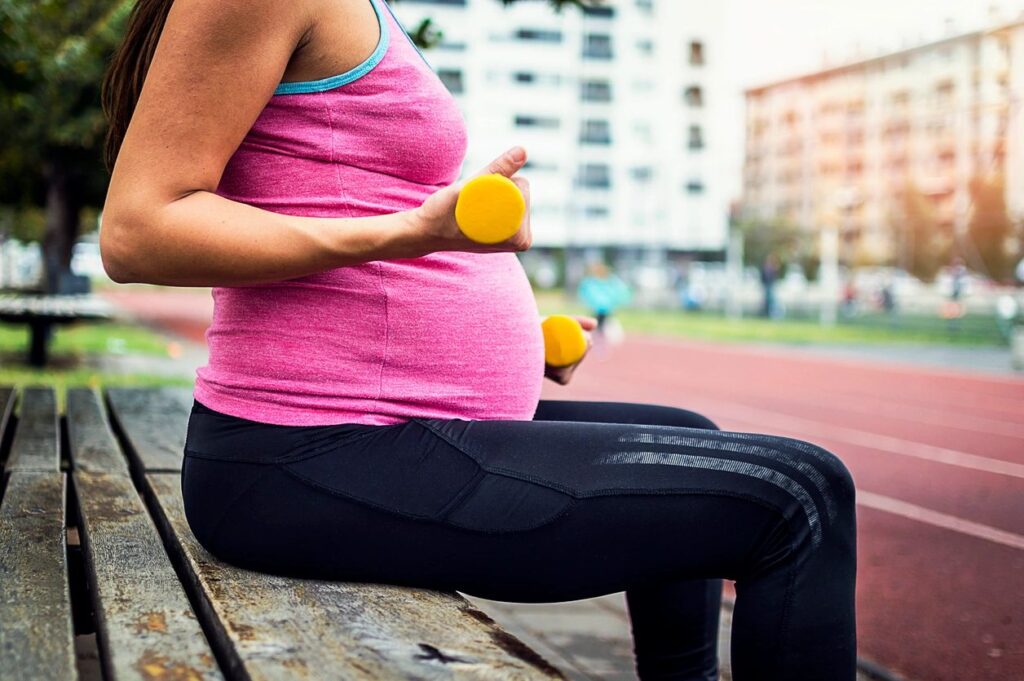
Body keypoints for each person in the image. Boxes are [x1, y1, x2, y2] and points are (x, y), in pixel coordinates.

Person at [99, 1, 857, 679]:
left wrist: (509, 340)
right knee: (801, 496)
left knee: (689, 435)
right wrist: (414, 233)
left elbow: (334, 193)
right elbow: (139, 230)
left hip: (368, 428)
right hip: (300, 456)